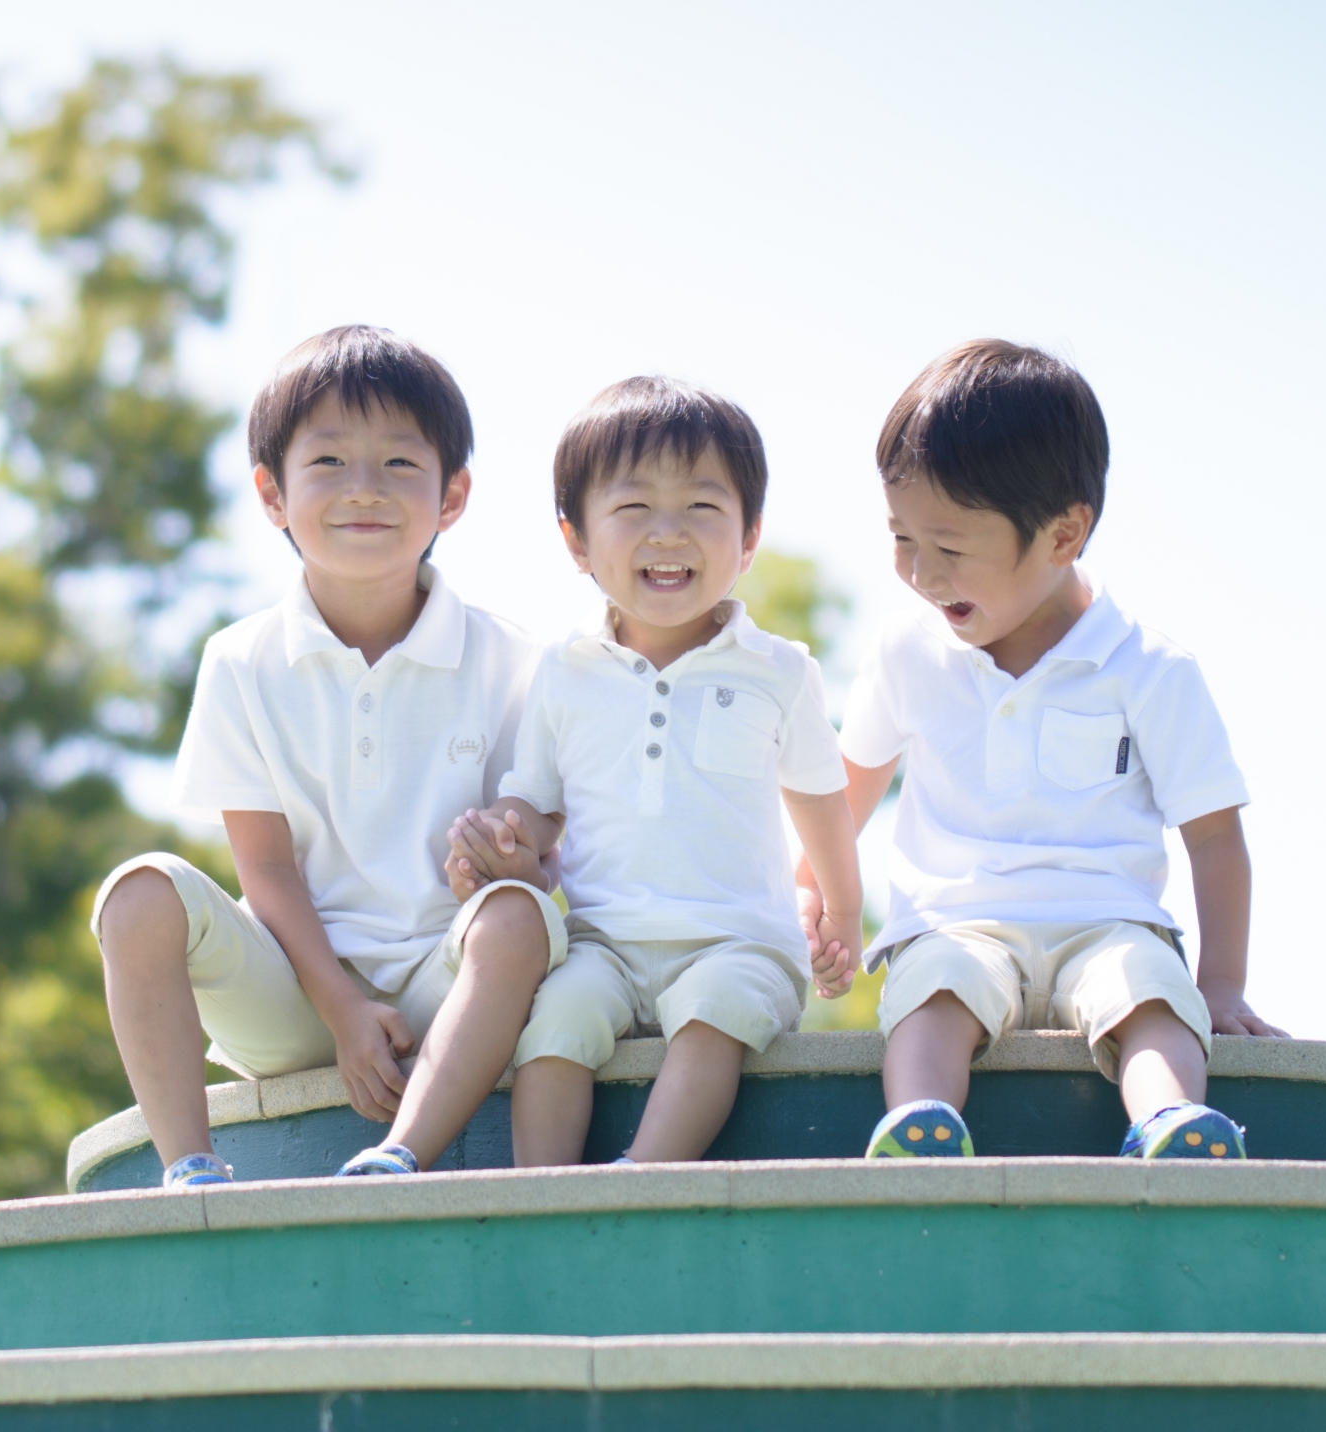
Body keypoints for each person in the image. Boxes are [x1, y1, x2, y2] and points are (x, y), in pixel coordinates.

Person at [90, 324, 566, 1187]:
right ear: (272, 494)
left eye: (398, 465)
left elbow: (541, 851)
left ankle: (398, 1156)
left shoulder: (516, 660)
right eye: (329, 463)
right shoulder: (238, 660)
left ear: (451, 497)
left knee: (520, 919)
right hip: (295, 993)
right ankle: (191, 1168)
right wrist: (343, 1009)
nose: (364, 491)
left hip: (449, 984)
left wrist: (512, 864)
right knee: (137, 893)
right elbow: (265, 871)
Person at [806, 339, 1287, 1163]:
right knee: (932, 994)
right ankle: (922, 1128)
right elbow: (845, 791)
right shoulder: (905, 652)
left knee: (1148, 994)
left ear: (1064, 534)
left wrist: (1222, 985)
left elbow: (1214, 838)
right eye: (900, 538)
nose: (919, 573)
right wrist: (809, 894)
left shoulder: (1148, 668)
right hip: (956, 924)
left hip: (1108, 921)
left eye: (950, 548)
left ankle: (1172, 1125)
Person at [446, 376, 864, 1166]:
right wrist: (500, 839)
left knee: (713, 1016)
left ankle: (644, 1177)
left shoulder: (780, 670)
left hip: (740, 942)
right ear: (576, 540)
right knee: (555, 1025)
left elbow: (821, 800)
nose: (668, 535)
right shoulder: (562, 671)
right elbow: (536, 805)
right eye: (634, 509)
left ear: (748, 538)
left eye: (703, 509)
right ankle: (546, 1192)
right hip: (604, 942)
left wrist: (839, 912)